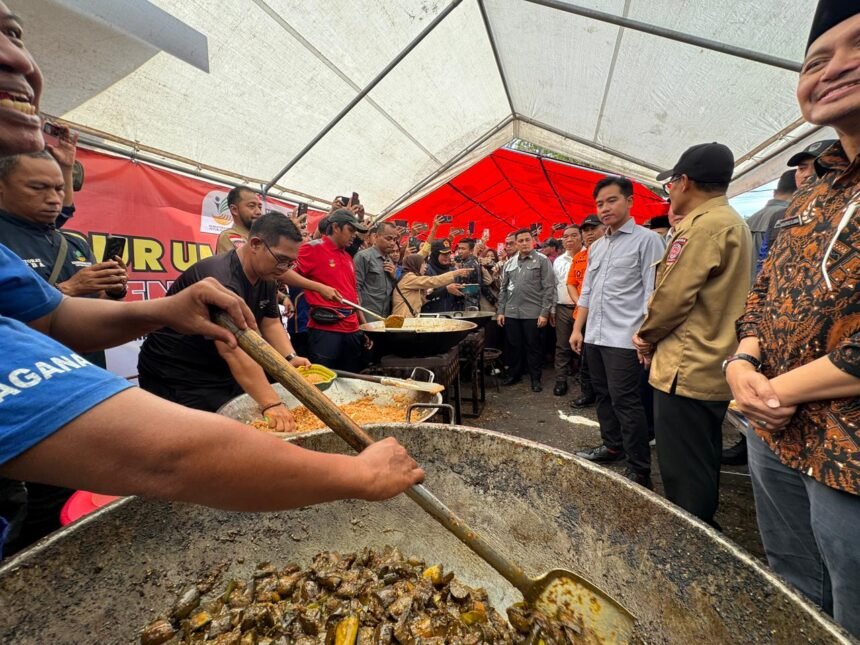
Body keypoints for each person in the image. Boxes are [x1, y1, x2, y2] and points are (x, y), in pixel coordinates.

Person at [727, 4, 860, 635]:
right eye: (816, 60)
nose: (833, 69)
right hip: (772, 428)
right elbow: (763, 294)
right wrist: (743, 363)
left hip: (849, 450)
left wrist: (775, 390)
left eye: (857, 45)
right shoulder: (811, 194)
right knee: (792, 583)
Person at [633, 142, 752, 527]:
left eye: (670, 184)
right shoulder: (731, 221)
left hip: (687, 365)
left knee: (683, 465)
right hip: (712, 360)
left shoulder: (704, 228)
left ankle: (692, 535)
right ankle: (701, 524)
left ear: (683, 182)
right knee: (701, 454)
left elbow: (673, 296)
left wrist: (646, 335)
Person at [138, 214, 311, 426]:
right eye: (281, 259)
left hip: (217, 369)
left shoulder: (266, 275)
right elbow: (232, 348)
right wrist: (271, 403)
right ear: (255, 244)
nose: (284, 269)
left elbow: (270, 322)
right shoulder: (222, 278)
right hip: (176, 372)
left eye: (290, 263)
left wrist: (289, 357)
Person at [570, 177, 665, 488]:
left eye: (611, 201)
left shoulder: (647, 240)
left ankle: (639, 469)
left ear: (630, 201)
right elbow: (587, 293)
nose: (605, 208)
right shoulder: (597, 247)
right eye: (600, 203)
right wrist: (577, 329)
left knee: (627, 402)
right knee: (602, 395)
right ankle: (612, 445)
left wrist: (644, 337)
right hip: (595, 337)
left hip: (625, 339)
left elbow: (653, 293)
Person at [0, 151, 129, 367]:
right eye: (37, 188)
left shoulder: (75, 244)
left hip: (85, 372)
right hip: (25, 377)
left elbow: (101, 310)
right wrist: (68, 289)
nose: (54, 199)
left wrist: (115, 291)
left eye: (59, 189)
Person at [295, 209, 369, 371]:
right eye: (350, 230)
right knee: (324, 379)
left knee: (352, 379)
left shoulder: (348, 257)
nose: (354, 236)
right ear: (336, 227)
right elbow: (285, 275)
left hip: (352, 329)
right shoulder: (312, 248)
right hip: (326, 329)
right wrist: (318, 288)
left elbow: (353, 295)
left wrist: (364, 326)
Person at [497, 228, 554, 392]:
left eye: (527, 240)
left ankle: (535, 379)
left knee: (533, 346)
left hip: (533, 312)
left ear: (533, 241)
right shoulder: (509, 263)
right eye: (520, 241)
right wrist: (501, 311)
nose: (524, 243)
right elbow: (504, 289)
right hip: (512, 312)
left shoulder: (542, 260)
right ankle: (514, 375)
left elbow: (549, 288)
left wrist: (544, 313)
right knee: (514, 346)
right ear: (516, 243)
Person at [567, 215, 604, 408]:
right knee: (585, 358)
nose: (589, 234)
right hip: (583, 316)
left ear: (604, 228)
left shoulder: (610, 253)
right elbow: (571, 284)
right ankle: (588, 393)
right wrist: (581, 303)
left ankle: (605, 395)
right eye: (586, 230)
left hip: (606, 316)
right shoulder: (579, 257)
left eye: (593, 229)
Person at [746, 170, 796, 282]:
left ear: (774, 192)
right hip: (765, 290)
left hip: (744, 291)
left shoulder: (749, 220)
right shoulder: (789, 218)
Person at [551, 226, 582, 396]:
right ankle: (561, 380)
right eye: (565, 237)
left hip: (584, 309)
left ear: (581, 237)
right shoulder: (558, 261)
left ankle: (586, 382)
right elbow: (554, 287)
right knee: (562, 345)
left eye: (573, 236)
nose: (569, 240)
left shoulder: (590, 256)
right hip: (563, 308)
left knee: (584, 346)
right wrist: (553, 310)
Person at [391, 254, 471, 317]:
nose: (425, 266)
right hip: (403, 320)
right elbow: (433, 281)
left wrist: (428, 292)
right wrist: (456, 273)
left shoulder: (411, 278)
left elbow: (418, 302)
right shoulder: (408, 277)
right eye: (423, 264)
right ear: (416, 265)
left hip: (407, 319)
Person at [354, 221, 398, 317]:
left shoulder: (389, 259)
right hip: (367, 315)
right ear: (376, 236)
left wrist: (394, 276)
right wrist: (362, 319)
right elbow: (355, 289)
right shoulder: (363, 257)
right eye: (388, 238)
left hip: (384, 317)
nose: (392, 243)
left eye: (395, 239)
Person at [421, 239, 464, 313]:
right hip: (432, 316)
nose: (447, 256)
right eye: (444, 254)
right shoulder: (426, 271)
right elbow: (425, 296)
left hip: (451, 315)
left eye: (449, 253)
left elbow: (458, 297)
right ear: (435, 254)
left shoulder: (453, 270)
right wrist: (445, 290)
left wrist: (463, 290)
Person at [216, 187, 262, 253]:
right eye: (251, 206)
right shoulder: (229, 236)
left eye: (260, 207)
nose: (259, 212)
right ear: (234, 210)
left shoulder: (261, 237)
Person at [455, 237, 482, 310]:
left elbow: (459, 285)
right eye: (459, 248)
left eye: (463, 249)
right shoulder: (470, 262)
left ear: (471, 251)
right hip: (472, 303)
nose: (460, 251)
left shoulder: (468, 265)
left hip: (467, 306)